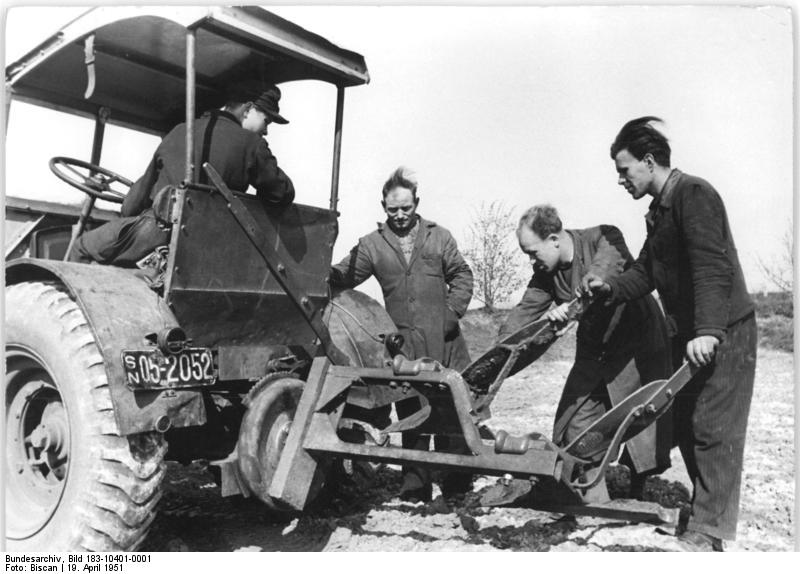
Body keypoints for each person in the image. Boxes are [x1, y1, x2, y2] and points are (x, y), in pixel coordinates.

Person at [582, 116, 756, 551]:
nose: (620, 180)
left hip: (724, 333)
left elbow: (712, 267)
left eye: (624, 170)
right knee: (682, 426)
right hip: (696, 335)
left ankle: (710, 532)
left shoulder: (694, 195)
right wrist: (610, 288)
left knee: (713, 428)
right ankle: (705, 514)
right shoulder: (660, 212)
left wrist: (710, 331)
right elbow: (646, 272)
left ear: (648, 160)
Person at [498, 205, 672, 502]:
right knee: (575, 423)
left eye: (532, 252)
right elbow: (523, 315)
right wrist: (498, 354)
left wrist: (571, 309)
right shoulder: (545, 273)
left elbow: (599, 276)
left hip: (636, 343)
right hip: (595, 346)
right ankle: (593, 499)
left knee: (639, 419)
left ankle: (637, 488)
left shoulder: (603, 238)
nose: (531, 261)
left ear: (554, 239)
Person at [330, 166, 474, 502]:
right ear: (383, 206)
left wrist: (450, 316)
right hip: (404, 346)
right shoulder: (372, 245)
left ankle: (457, 479)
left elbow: (463, 276)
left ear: (416, 203)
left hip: (444, 341)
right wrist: (317, 272)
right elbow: (343, 275)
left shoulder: (439, 237)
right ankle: (415, 485)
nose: (399, 215)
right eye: (392, 209)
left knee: (451, 409)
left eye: (405, 208)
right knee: (411, 411)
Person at [69, 82, 295, 266]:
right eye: (266, 120)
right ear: (247, 109)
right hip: (211, 246)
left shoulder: (179, 131)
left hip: (158, 236)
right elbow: (282, 193)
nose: (266, 130)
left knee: (80, 246)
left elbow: (132, 205)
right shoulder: (252, 144)